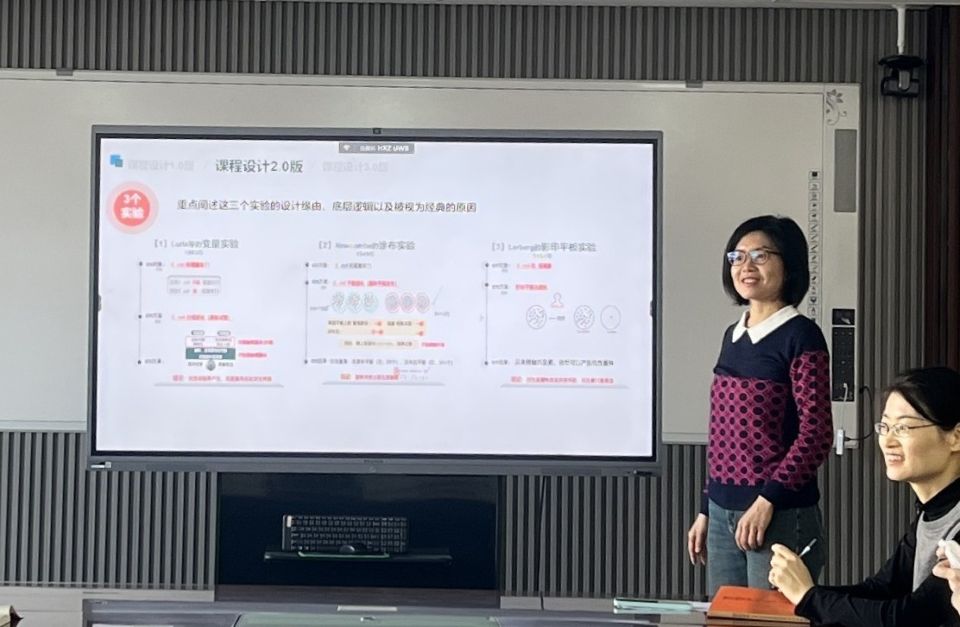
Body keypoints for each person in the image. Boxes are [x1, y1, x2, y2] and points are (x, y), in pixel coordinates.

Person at [686, 215, 833, 595]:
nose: (745, 266)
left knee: (773, 620)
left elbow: (816, 434)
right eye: (737, 257)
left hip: (779, 514)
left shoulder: (801, 336)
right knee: (726, 618)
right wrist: (706, 508)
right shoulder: (732, 336)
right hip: (721, 514)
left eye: (760, 255)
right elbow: (725, 436)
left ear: (789, 265)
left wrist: (768, 500)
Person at [769, 366, 960, 627]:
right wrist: (801, 591)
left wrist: (809, 597)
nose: (887, 441)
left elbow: (907, 618)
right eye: (885, 426)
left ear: (955, 438)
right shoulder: (929, 513)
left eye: (903, 427)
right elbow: (882, 589)